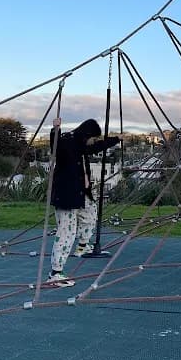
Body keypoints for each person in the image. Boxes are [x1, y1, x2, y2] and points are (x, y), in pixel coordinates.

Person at [46, 118, 120, 287]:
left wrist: (116, 139)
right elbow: (56, 148)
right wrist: (55, 130)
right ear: (87, 134)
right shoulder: (67, 141)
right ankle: (55, 273)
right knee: (66, 232)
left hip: (80, 193)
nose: (92, 142)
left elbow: (96, 147)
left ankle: (82, 246)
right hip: (67, 196)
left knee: (90, 213)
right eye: (92, 138)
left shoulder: (80, 144)